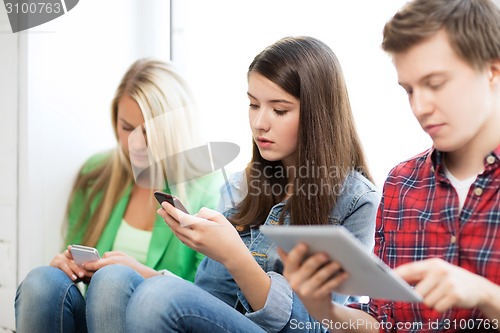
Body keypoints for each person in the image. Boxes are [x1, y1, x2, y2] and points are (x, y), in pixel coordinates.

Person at [108, 36, 381, 333]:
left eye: (279, 110)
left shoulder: (357, 201)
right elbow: (211, 303)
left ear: (318, 115)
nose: (259, 122)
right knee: (114, 280)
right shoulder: (240, 187)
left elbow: (315, 326)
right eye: (253, 104)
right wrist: (149, 274)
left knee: (155, 295)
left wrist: (235, 257)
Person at [280, 0, 500, 332]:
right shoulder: (402, 183)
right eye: (409, 90)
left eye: (436, 84)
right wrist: (323, 308)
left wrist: (487, 296)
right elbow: (384, 322)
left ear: (492, 71)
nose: (420, 106)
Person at [14, 58, 223, 333]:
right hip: (96, 319)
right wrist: (66, 268)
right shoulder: (97, 174)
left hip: (163, 322)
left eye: (150, 131)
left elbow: (212, 304)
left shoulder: (211, 188)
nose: (135, 144)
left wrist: (140, 274)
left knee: (113, 280)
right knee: (43, 281)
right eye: (127, 128)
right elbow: (75, 263)